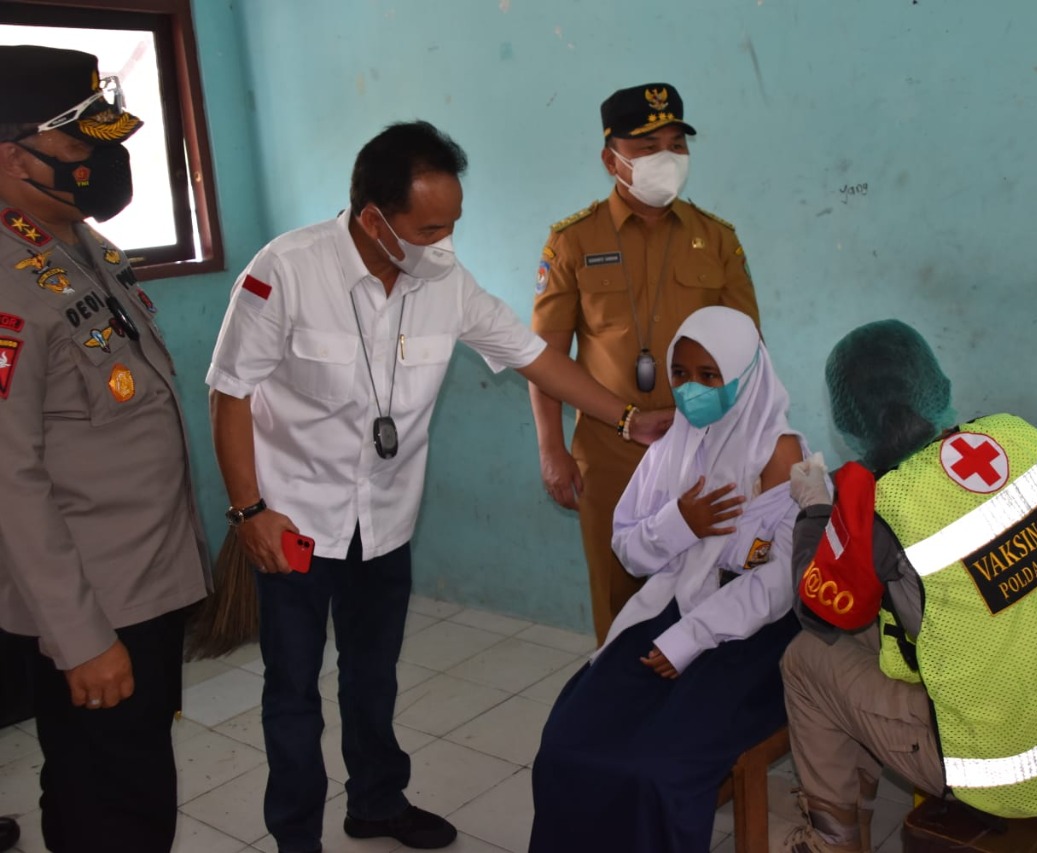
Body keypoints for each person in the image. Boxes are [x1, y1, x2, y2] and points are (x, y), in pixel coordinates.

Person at [206, 120, 671, 853]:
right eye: (429, 227)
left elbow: (533, 357)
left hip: (385, 519)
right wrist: (248, 511)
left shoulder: (444, 282)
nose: (444, 241)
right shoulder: (285, 271)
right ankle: (295, 836)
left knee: (373, 675)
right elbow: (230, 394)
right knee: (292, 689)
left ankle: (378, 803)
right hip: (293, 520)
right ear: (372, 218)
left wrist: (630, 417)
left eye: (453, 223)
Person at [778, 320, 1037, 852]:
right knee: (870, 644)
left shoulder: (889, 507)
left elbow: (820, 611)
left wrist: (814, 510)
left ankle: (831, 845)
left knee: (806, 660)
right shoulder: (1021, 437)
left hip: (1007, 772)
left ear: (850, 423)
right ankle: (860, 798)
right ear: (936, 385)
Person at [0, 46, 211, 853]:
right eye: (82, 150)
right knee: (112, 804)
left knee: (129, 780)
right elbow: (10, 481)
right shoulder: (8, 281)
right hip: (94, 606)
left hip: (142, 583)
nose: (103, 166)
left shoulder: (71, 243)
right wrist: (82, 637)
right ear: (15, 155)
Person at [529, 306, 803, 853]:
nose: (691, 390)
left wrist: (691, 637)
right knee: (568, 742)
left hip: (747, 633)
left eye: (709, 375)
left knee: (657, 767)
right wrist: (680, 522)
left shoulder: (778, 452)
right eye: (681, 374)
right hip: (669, 610)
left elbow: (779, 583)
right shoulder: (672, 443)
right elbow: (628, 548)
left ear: (747, 373)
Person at [530, 82, 761, 645]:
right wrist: (552, 450)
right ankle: (618, 712)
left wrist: (752, 445)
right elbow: (543, 358)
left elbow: (748, 349)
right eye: (648, 146)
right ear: (611, 158)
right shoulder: (573, 243)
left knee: (705, 586)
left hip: (701, 447)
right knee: (618, 595)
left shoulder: (717, 239)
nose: (668, 158)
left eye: (677, 144)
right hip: (612, 453)